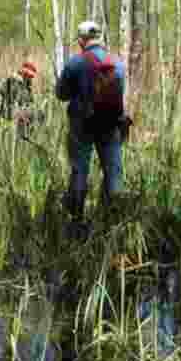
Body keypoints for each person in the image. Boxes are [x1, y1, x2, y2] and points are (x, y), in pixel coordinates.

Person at [54, 20, 127, 223]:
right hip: (111, 125)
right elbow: (120, 95)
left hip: (82, 126)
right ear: (100, 38)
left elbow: (61, 95)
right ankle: (114, 221)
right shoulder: (118, 63)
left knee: (79, 170)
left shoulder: (75, 63)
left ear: (81, 40)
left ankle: (75, 220)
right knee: (114, 172)